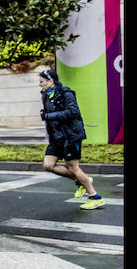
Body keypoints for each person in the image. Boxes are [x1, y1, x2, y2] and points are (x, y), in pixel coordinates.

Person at [38, 68, 104, 209]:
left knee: (72, 167)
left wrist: (49, 116)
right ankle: (81, 180)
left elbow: (72, 112)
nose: (40, 84)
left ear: (51, 81)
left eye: (41, 81)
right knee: (48, 165)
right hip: (56, 137)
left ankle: (95, 197)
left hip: (70, 136)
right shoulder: (45, 94)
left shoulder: (66, 94)